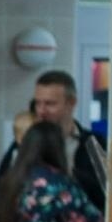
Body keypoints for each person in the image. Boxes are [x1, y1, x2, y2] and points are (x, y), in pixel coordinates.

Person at [32, 70, 106, 211]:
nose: (41, 111)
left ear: (71, 103)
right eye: (38, 103)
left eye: (50, 104)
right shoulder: (26, 144)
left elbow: (107, 195)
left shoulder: (94, 145)